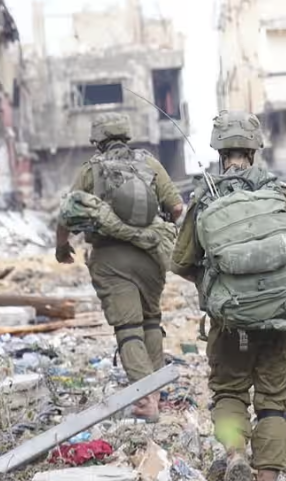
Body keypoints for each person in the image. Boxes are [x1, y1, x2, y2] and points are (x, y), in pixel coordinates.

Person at [171, 110, 286, 481]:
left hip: (229, 322)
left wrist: (222, 285)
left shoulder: (205, 199)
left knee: (230, 394)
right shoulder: (281, 194)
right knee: (273, 403)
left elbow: (181, 262)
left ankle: (236, 455)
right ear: (255, 149)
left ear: (219, 151)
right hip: (281, 316)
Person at [56, 112, 184, 421]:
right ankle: (155, 390)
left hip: (111, 259)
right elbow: (177, 208)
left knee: (129, 329)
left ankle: (146, 400)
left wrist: (62, 246)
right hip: (152, 257)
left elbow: (67, 214)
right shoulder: (150, 164)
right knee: (151, 321)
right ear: (127, 135)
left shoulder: (91, 170)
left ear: (97, 141)